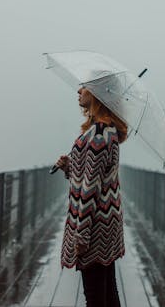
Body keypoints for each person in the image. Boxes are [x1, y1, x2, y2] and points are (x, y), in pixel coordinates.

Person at [56, 86, 128, 307]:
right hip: (105, 222)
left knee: (96, 297)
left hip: (94, 225)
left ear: (98, 95)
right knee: (108, 293)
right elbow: (90, 178)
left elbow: (89, 189)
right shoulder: (104, 130)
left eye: (85, 87)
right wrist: (69, 168)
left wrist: (82, 235)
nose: (79, 90)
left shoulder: (99, 134)